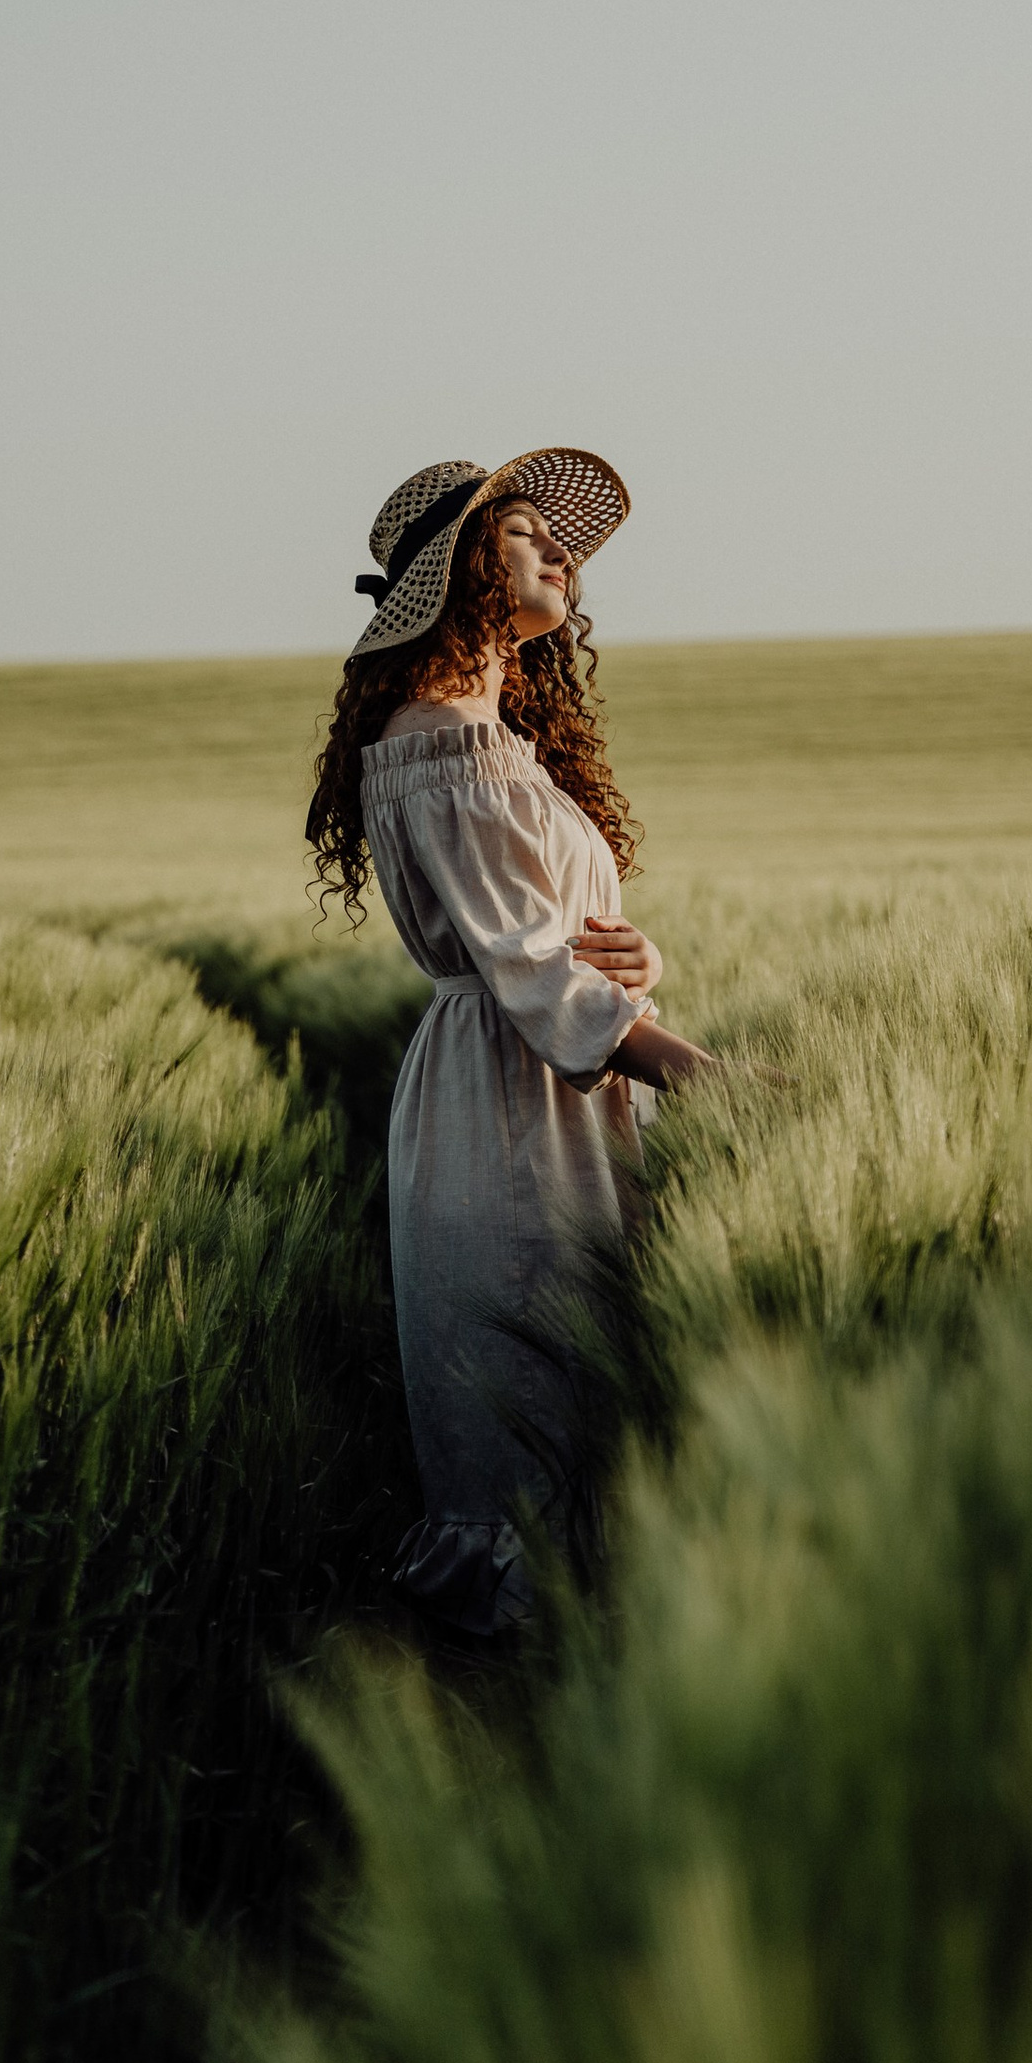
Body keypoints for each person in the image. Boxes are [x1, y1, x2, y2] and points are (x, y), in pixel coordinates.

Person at [306, 450, 715, 1638]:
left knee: (572, 1399)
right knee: (533, 1410)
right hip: (512, 1109)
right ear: (462, 572)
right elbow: (531, 973)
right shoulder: (447, 745)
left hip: (548, 1087)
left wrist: (641, 965)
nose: (561, 556)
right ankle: (516, 1713)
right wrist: (707, 1074)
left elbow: (559, 944)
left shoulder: (485, 741)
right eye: (529, 534)